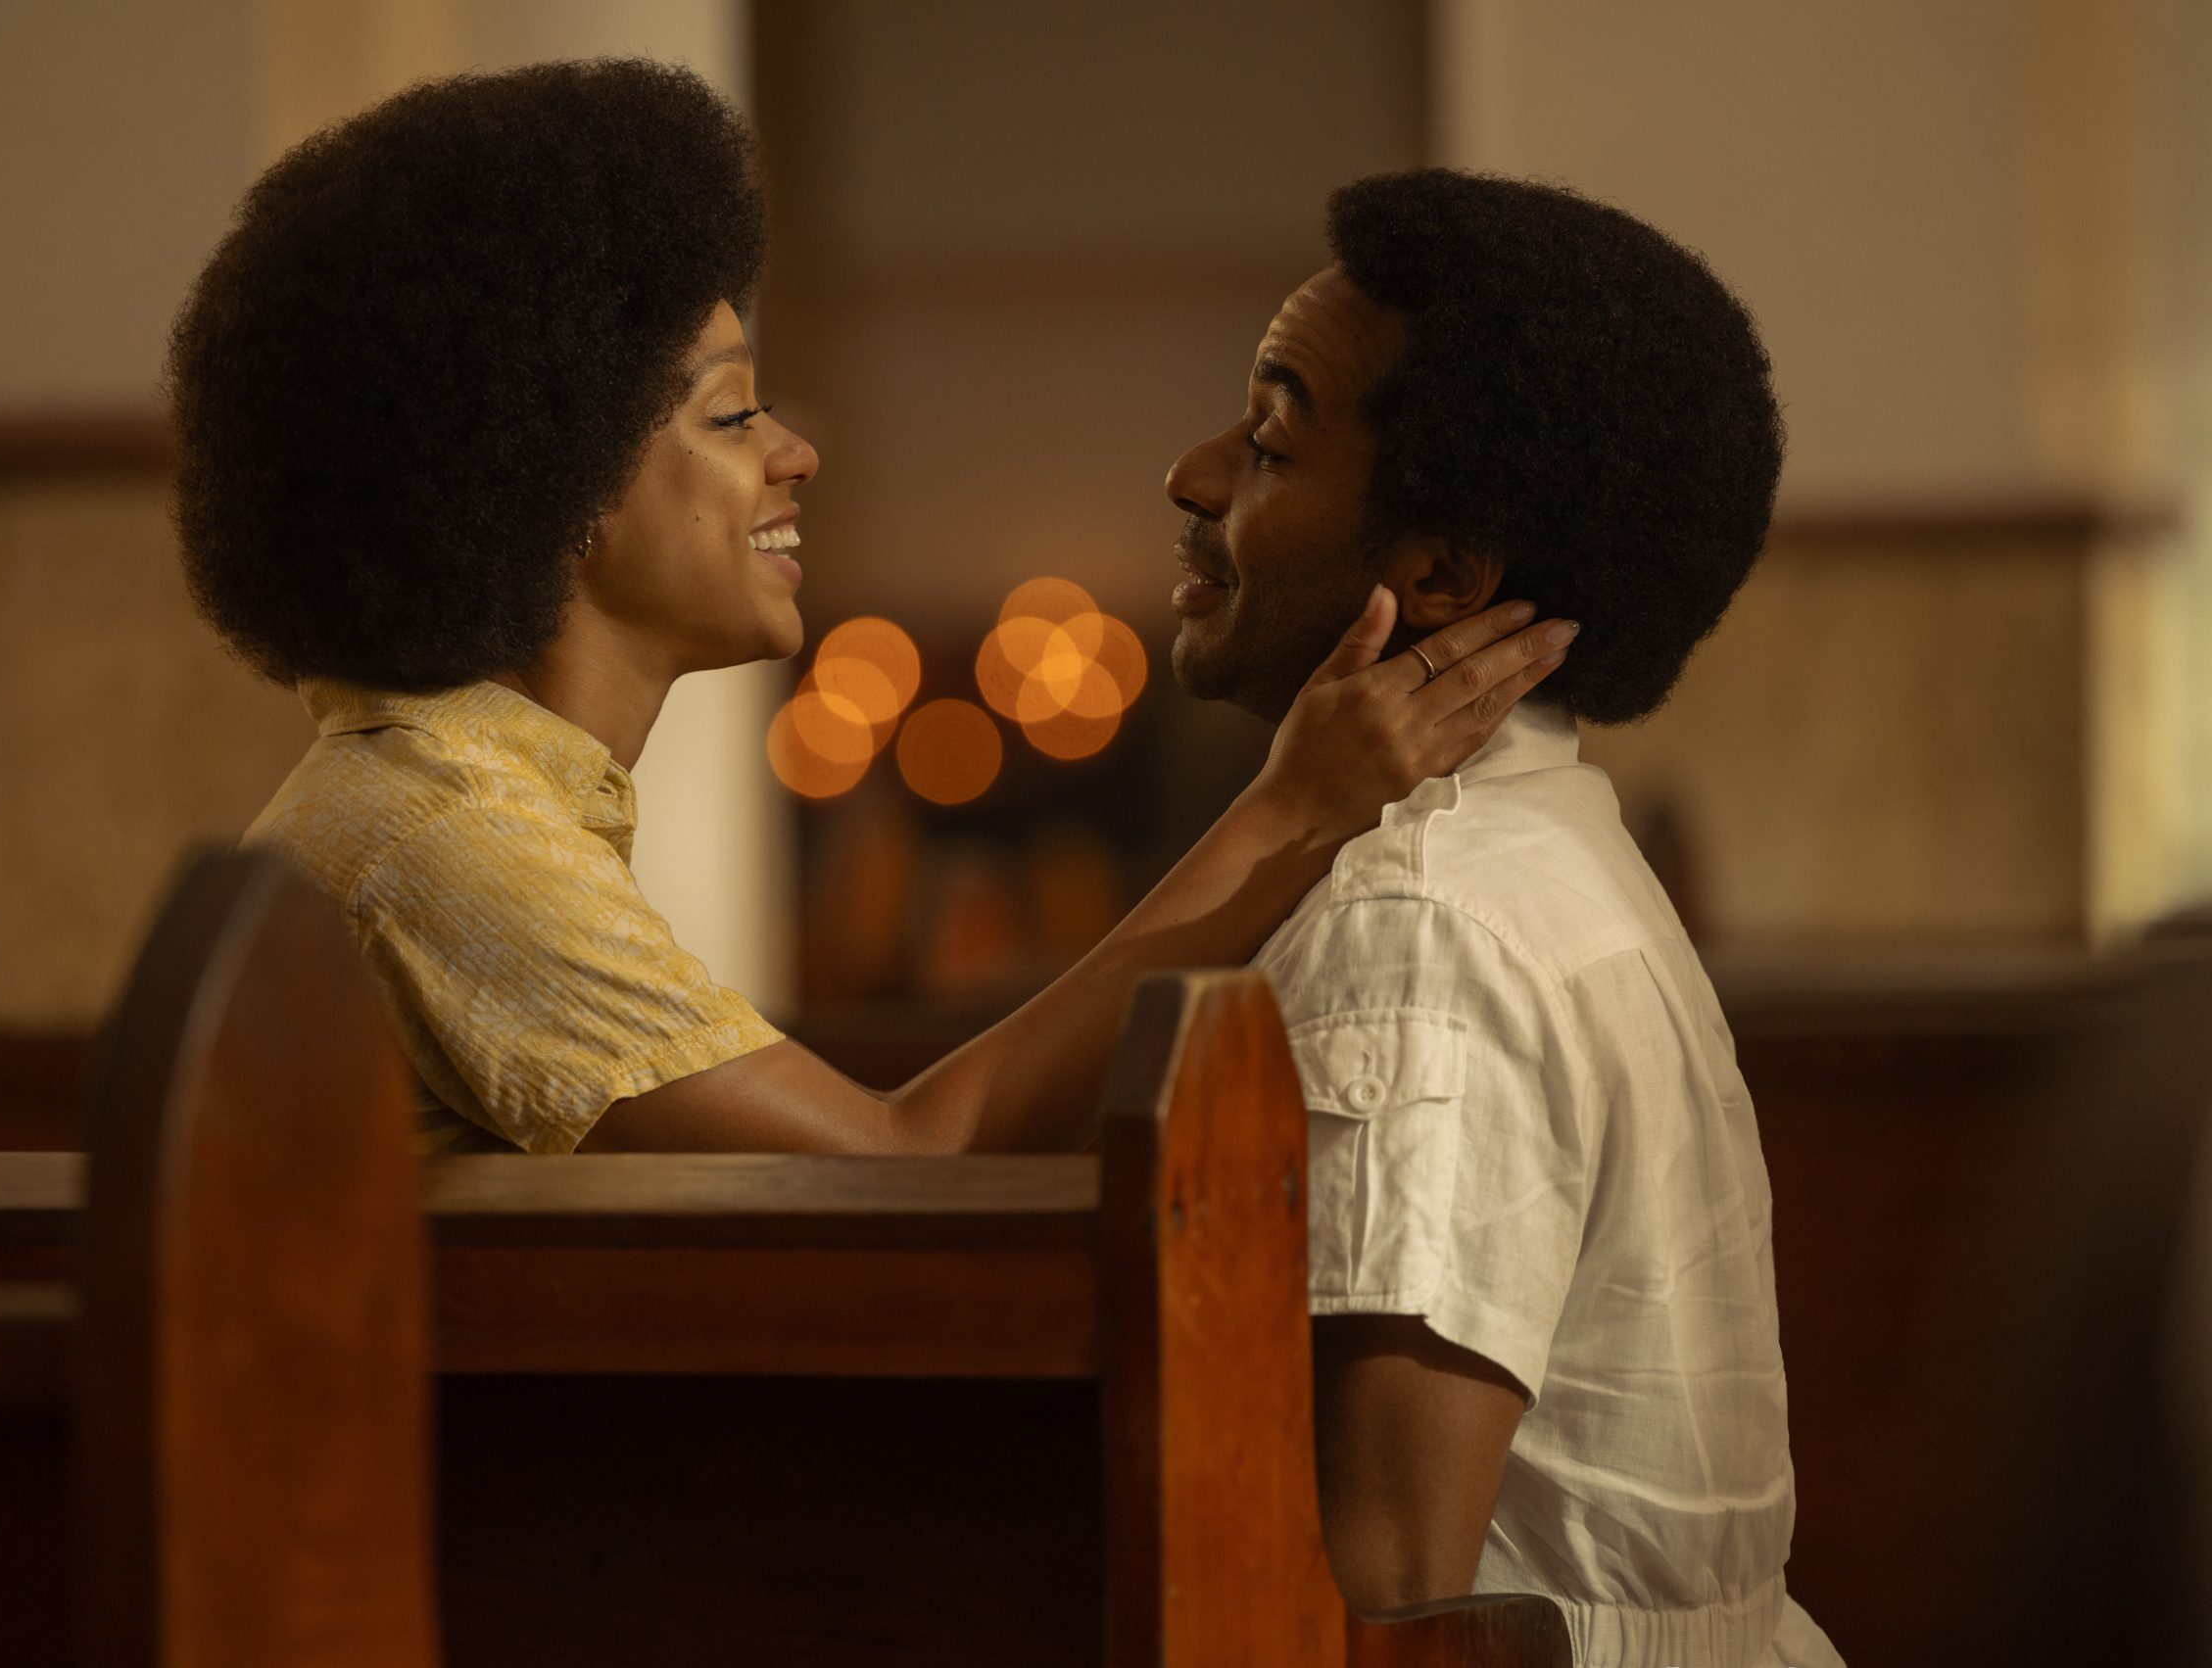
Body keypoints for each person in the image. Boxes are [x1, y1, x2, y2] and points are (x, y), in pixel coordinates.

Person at [168, 61, 1574, 1158]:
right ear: (548, 481)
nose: (797, 453)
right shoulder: (446, 831)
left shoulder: (452, 787)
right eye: (732, 415)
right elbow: (898, 1159)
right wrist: (1292, 810)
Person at [1162, 169, 1842, 1667]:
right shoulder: (1533, 836)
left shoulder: (1427, 919)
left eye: (1271, 441)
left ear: (1442, 575)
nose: (1195, 476)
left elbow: (1385, 1580)